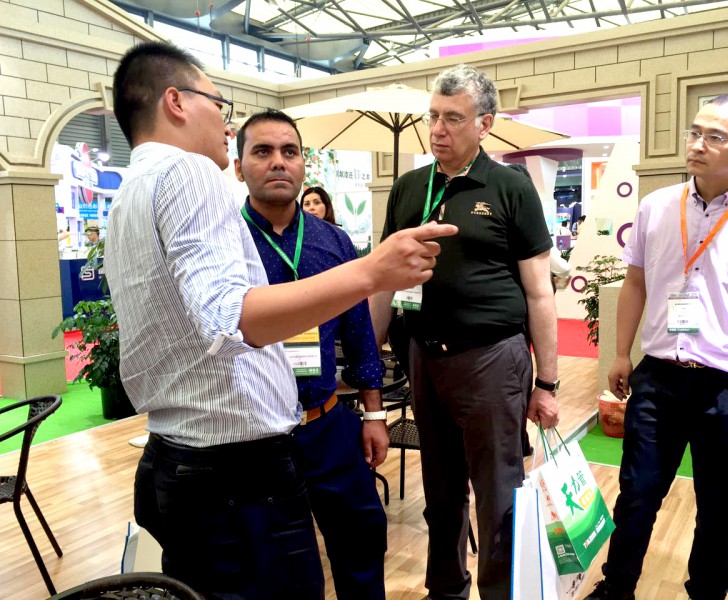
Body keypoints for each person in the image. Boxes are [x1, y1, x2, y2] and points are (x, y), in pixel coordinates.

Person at [105, 41, 456, 600]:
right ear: (176, 101)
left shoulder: (131, 192)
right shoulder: (189, 173)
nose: (224, 124)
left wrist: (370, 407)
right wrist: (372, 271)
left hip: (192, 455)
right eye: (218, 104)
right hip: (235, 472)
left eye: (290, 151)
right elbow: (229, 319)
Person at [588, 94, 728, 600]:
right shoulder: (656, 206)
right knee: (637, 494)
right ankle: (616, 588)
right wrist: (621, 353)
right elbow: (635, 283)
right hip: (658, 377)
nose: (697, 145)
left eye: (715, 137)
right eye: (695, 132)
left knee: (718, 505)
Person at [371, 63, 559, 600]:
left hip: (491, 360)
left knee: (498, 494)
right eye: (432, 116)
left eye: (453, 118)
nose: (437, 129)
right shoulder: (409, 188)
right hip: (424, 357)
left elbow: (540, 293)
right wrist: (368, 361)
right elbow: (383, 281)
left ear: (484, 124)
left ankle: (500, 593)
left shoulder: (510, 187)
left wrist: (547, 383)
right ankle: (446, 589)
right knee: (440, 490)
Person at [234, 109, 388, 600]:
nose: (278, 162)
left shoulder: (333, 241)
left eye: (290, 151)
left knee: (363, 537)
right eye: (262, 151)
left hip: (326, 421)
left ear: (304, 165)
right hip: (255, 437)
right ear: (238, 167)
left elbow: (360, 331)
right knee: (281, 569)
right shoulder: (224, 242)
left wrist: (374, 413)